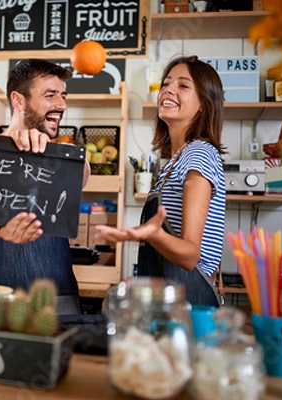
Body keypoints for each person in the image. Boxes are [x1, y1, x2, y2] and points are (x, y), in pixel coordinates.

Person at [0, 59, 88, 314]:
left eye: (63, 95)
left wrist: (46, 152)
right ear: (18, 100)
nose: (62, 105)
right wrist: (14, 150)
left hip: (57, 312)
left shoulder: (65, 157)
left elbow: (79, 172)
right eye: (50, 95)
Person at [95, 55, 226, 307]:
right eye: (166, 83)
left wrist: (152, 235)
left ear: (203, 104)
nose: (168, 89)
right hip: (169, 302)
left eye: (183, 85)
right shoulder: (176, 160)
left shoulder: (199, 152)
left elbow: (190, 255)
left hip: (190, 303)